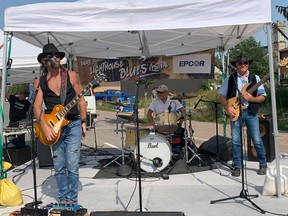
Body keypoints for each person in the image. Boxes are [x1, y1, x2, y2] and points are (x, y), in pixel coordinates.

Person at [33, 43, 87, 204]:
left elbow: (81, 99)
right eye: (51, 56)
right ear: (44, 61)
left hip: (73, 124)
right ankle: (63, 198)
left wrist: (84, 120)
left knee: (72, 162)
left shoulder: (70, 76)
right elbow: (36, 107)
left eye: (57, 56)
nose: (55, 58)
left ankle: (72, 200)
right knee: (59, 164)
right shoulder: (41, 81)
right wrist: (44, 126)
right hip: (53, 127)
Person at [218, 54, 267, 177]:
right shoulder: (231, 78)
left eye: (245, 63)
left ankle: (263, 164)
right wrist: (227, 107)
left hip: (251, 112)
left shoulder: (255, 78)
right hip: (235, 112)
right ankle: (237, 166)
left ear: (248, 64)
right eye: (240, 63)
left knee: (256, 139)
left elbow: (262, 97)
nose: (243, 65)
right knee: (236, 141)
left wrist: (253, 99)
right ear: (236, 66)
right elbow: (222, 96)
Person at [147, 84, 185, 152]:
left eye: (161, 92)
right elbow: (149, 115)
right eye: (157, 92)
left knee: (182, 134)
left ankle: (179, 153)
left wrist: (180, 123)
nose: (158, 94)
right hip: (160, 126)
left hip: (173, 126)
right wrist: (154, 125)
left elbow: (183, 111)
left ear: (167, 93)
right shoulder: (155, 100)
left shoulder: (173, 100)